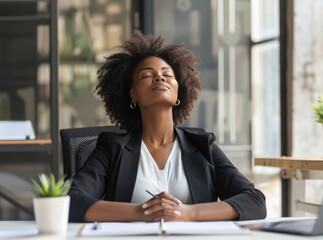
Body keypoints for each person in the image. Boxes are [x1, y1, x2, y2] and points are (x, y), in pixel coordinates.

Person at [68, 31, 266, 222]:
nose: (159, 78)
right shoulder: (113, 147)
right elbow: (73, 201)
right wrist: (142, 211)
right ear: (133, 94)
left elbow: (254, 201)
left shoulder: (201, 145)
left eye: (167, 74)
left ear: (178, 92)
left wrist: (187, 213)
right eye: (146, 75)